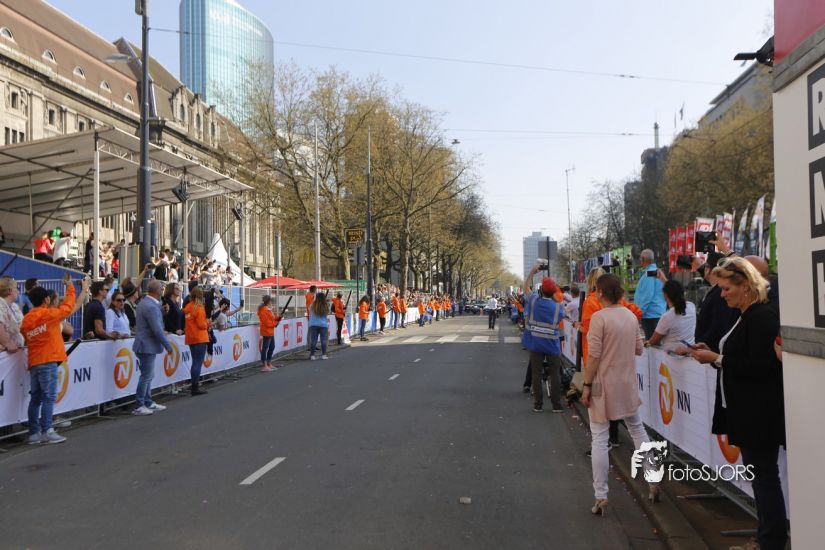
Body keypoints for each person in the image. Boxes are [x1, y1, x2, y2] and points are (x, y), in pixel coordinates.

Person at [690, 257, 786, 550]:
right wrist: (713, 355)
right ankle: (767, 538)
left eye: (726, 288)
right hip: (747, 409)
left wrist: (717, 358)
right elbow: (739, 359)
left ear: (745, 286)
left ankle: (770, 541)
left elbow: (760, 367)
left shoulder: (761, 316)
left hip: (758, 412)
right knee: (762, 479)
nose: (722, 295)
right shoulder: (747, 315)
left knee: (764, 479)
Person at [582, 273, 657, 516]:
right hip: (627, 382)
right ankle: (653, 479)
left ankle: (601, 495)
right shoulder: (630, 316)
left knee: (599, 438)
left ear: (600, 293)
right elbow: (638, 349)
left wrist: (586, 385)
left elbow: (594, 356)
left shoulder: (599, 318)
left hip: (602, 384)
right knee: (637, 429)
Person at [21, 273, 90, 444]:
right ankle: (47, 430)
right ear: (46, 300)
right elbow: (68, 306)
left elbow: (25, 334)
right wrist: (70, 287)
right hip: (48, 360)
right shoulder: (49, 314)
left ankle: (34, 434)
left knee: (36, 398)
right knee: (49, 397)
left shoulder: (27, 319)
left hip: (34, 362)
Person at [522, 265, 565, 413]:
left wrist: (532, 272)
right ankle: (556, 405)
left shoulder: (534, 301)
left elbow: (526, 287)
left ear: (540, 290)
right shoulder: (559, 307)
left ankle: (538, 404)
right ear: (554, 292)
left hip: (536, 344)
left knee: (536, 374)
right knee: (555, 375)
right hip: (552, 345)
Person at [131, 280, 173, 416]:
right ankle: (140, 404)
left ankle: (147, 402)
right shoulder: (150, 306)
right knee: (146, 376)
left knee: (148, 375)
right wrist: (168, 345)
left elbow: (156, 325)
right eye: (161, 289)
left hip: (146, 344)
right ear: (157, 291)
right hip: (146, 345)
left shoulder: (146, 303)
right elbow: (157, 329)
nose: (162, 291)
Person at [645, 280, 696, 353]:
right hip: (691, 351)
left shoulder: (667, 316)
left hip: (672, 355)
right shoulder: (691, 306)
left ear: (665, 295)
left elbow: (653, 341)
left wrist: (646, 343)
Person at [634, 249, 666, 339]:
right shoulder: (654, 271)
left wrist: (640, 312)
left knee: (652, 343)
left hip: (651, 315)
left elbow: (648, 295)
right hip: (656, 312)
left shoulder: (650, 273)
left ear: (643, 259)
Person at [183, 287, 210, 396]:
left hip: (191, 337)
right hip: (200, 337)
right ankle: (195, 387)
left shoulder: (188, 307)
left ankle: (194, 386)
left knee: (195, 362)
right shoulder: (199, 308)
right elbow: (201, 324)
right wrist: (208, 323)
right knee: (197, 363)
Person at [0, 276, 24, 353]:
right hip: (5, 353)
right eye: (16, 288)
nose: (18, 292)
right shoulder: (0, 304)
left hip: (16, 351)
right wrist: (8, 343)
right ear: (10, 290)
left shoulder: (14, 306)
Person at [258, 295, 281, 372]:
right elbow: (267, 323)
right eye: (271, 301)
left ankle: (268, 363)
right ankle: (264, 365)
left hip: (270, 331)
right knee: (265, 348)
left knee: (272, 347)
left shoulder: (268, 310)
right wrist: (275, 323)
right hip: (266, 331)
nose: (271, 302)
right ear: (268, 301)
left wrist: (278, 318)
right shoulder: (264, 310)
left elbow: (272, 318)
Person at [308, 292, 330, 360]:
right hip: (323, 325)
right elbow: (327, 314)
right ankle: (323, 355)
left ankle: (312, 355)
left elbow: (309, 311)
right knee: (323, 340)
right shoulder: (326, 306)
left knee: (313, 340)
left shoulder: (312, 305)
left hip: (313, 324)